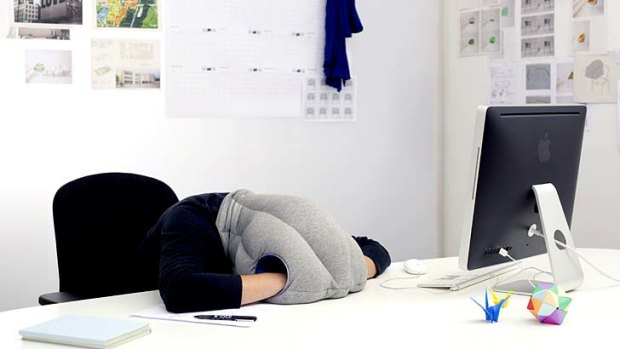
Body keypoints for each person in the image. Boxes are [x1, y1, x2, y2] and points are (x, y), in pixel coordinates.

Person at [138, 191, 391, 313]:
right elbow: (179, 291)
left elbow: (375, 248)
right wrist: (284, 279)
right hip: (125, 303)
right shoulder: (186, 219)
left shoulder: (283, 219)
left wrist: (348, 272)